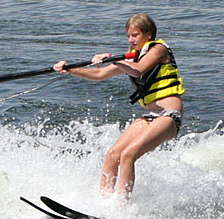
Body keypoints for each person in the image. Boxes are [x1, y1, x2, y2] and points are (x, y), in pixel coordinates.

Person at [53, 13, 185, 198]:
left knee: (128, 155)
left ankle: (122, 205)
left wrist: (111, 58)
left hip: (169, 116)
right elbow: (99, 75)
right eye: (128, 36)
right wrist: (69, 70)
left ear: (148, 34)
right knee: (113, 155)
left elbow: (138, 71)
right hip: (150, 116)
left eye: (135, 35)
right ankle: (104, 200)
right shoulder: (131, 59)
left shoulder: (159, 49)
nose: (131, 40)